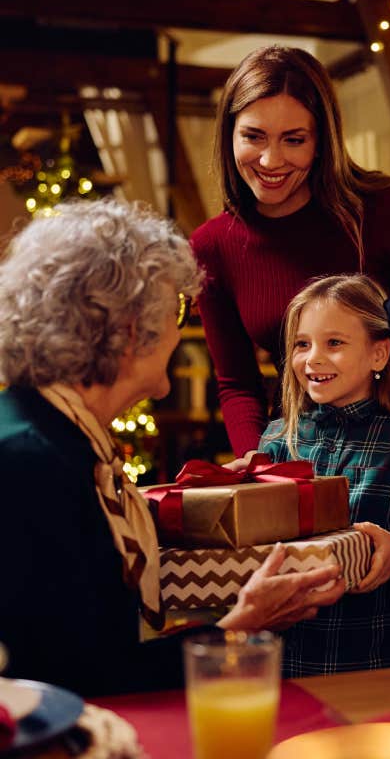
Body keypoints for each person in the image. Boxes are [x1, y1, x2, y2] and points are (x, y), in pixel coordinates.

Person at [0, 199, 345, 697]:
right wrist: (241, 628)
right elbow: (80, 678)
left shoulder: (56, 436)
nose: (184, 326)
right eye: (175, 309)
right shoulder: (32, 463)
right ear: (129, 331)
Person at [190, 45, 390, 464]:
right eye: (253, 136)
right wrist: (257, 461)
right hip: (295, 455)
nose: (270, 160)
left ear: (322, 141)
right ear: (229, 135)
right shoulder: (212, 245)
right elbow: (237, 383)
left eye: (294, 140)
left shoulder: (384, 209)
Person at [257, 274, 390, 677]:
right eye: (302, 344)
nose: (313, 358)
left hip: (371, 662)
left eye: (334, 343)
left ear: (378, 354)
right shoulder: (276, 440)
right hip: (280, 667)